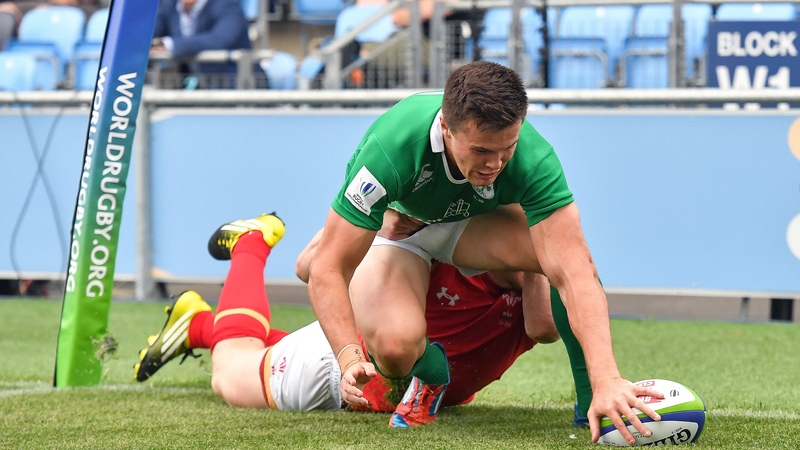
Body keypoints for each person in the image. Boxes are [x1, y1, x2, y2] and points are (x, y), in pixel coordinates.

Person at [305, 61, 662, 443]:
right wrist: (348, 356)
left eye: (507, 147)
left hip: (470, 222)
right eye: (480, 150)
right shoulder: (392, 148)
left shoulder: (533, 157)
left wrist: (606, 377)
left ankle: (591, 399)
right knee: (392, 346)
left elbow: (576, 271)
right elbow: (329, 270)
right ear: (446, 126)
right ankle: (433, 373)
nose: (495, 163)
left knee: (550, 303)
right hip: (400, 228)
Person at [134, 213, 580, 419]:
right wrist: (381, 223)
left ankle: (196, 325)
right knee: (229, 372)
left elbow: (542, 329)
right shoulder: (438, 248)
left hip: (402, 382)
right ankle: (251, 245)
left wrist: (538, 268)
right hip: (341, 367)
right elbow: (311, 266)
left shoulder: (536, 297)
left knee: (259, 349)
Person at [150, 0, 251, 89]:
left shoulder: (228, 5)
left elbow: (219, 39)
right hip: (191, 90)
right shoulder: (169, 5)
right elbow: (149, 32)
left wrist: (169, 45)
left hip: (236, 90)